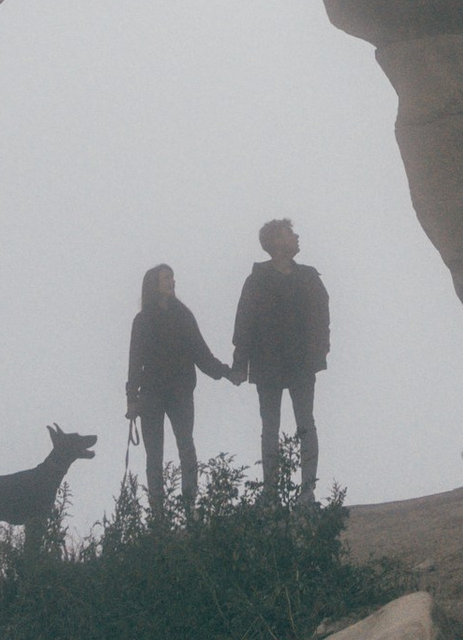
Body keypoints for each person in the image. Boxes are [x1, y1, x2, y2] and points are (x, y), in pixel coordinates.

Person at [230, 217, 330, 504]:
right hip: (268, 364)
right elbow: (244, 324)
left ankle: (306, 490)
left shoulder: (308, 276)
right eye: (290, 233)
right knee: (272, 428)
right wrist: (240, 364)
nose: (297, 237)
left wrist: (318, 352)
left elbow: (322, 318)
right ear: (276, 241)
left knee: (304, 424)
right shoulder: (257, 280)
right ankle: (271, 491)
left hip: (300, 363)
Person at [125, 264, 230, 527]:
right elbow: (134, 361)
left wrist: (224, 372)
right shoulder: (143, 320)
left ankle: (189, 504)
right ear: (154, 284)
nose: (172, 281)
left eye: (172, 277)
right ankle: (159, 512)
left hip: (180, 392)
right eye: (166, 278)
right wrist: (132, 397)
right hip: (152, 395)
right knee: (155, 454)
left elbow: (201, 353)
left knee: (186, 447)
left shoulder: (183, 316)